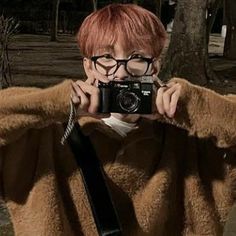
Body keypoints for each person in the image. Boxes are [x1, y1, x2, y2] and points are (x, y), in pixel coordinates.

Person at [0, 3, 235, 236]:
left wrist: (191, 107)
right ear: (89, 67)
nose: (120, 72)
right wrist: (56, 104)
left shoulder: (189, 139)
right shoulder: (44, 136)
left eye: (136, 57)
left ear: (154, 66)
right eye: (106, 57)